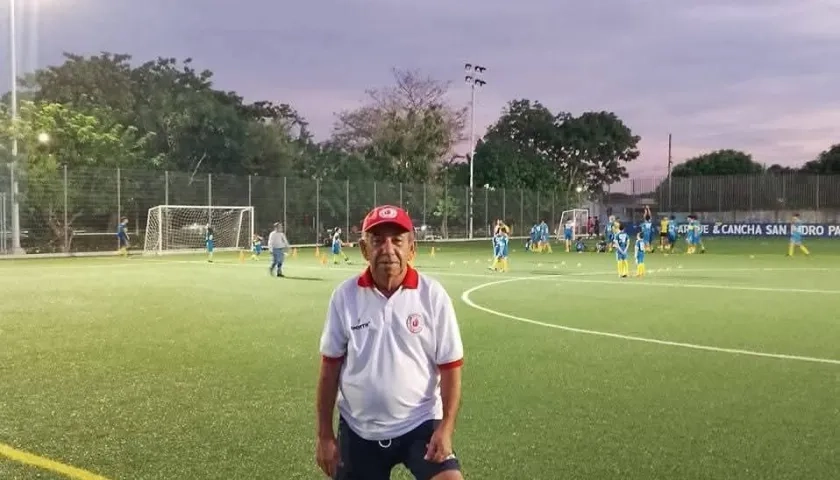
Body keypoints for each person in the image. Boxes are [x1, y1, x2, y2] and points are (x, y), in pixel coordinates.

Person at [316, 205, 465, 480]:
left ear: (412, 248)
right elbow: (329, 370)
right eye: (377, 241)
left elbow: (451, 367)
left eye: (397, 240)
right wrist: (324, 435)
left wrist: (446, 427)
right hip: (359, 429)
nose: (387, 249)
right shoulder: (344, 297)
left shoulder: (433, 296)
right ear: (364, 249)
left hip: (420, 423)